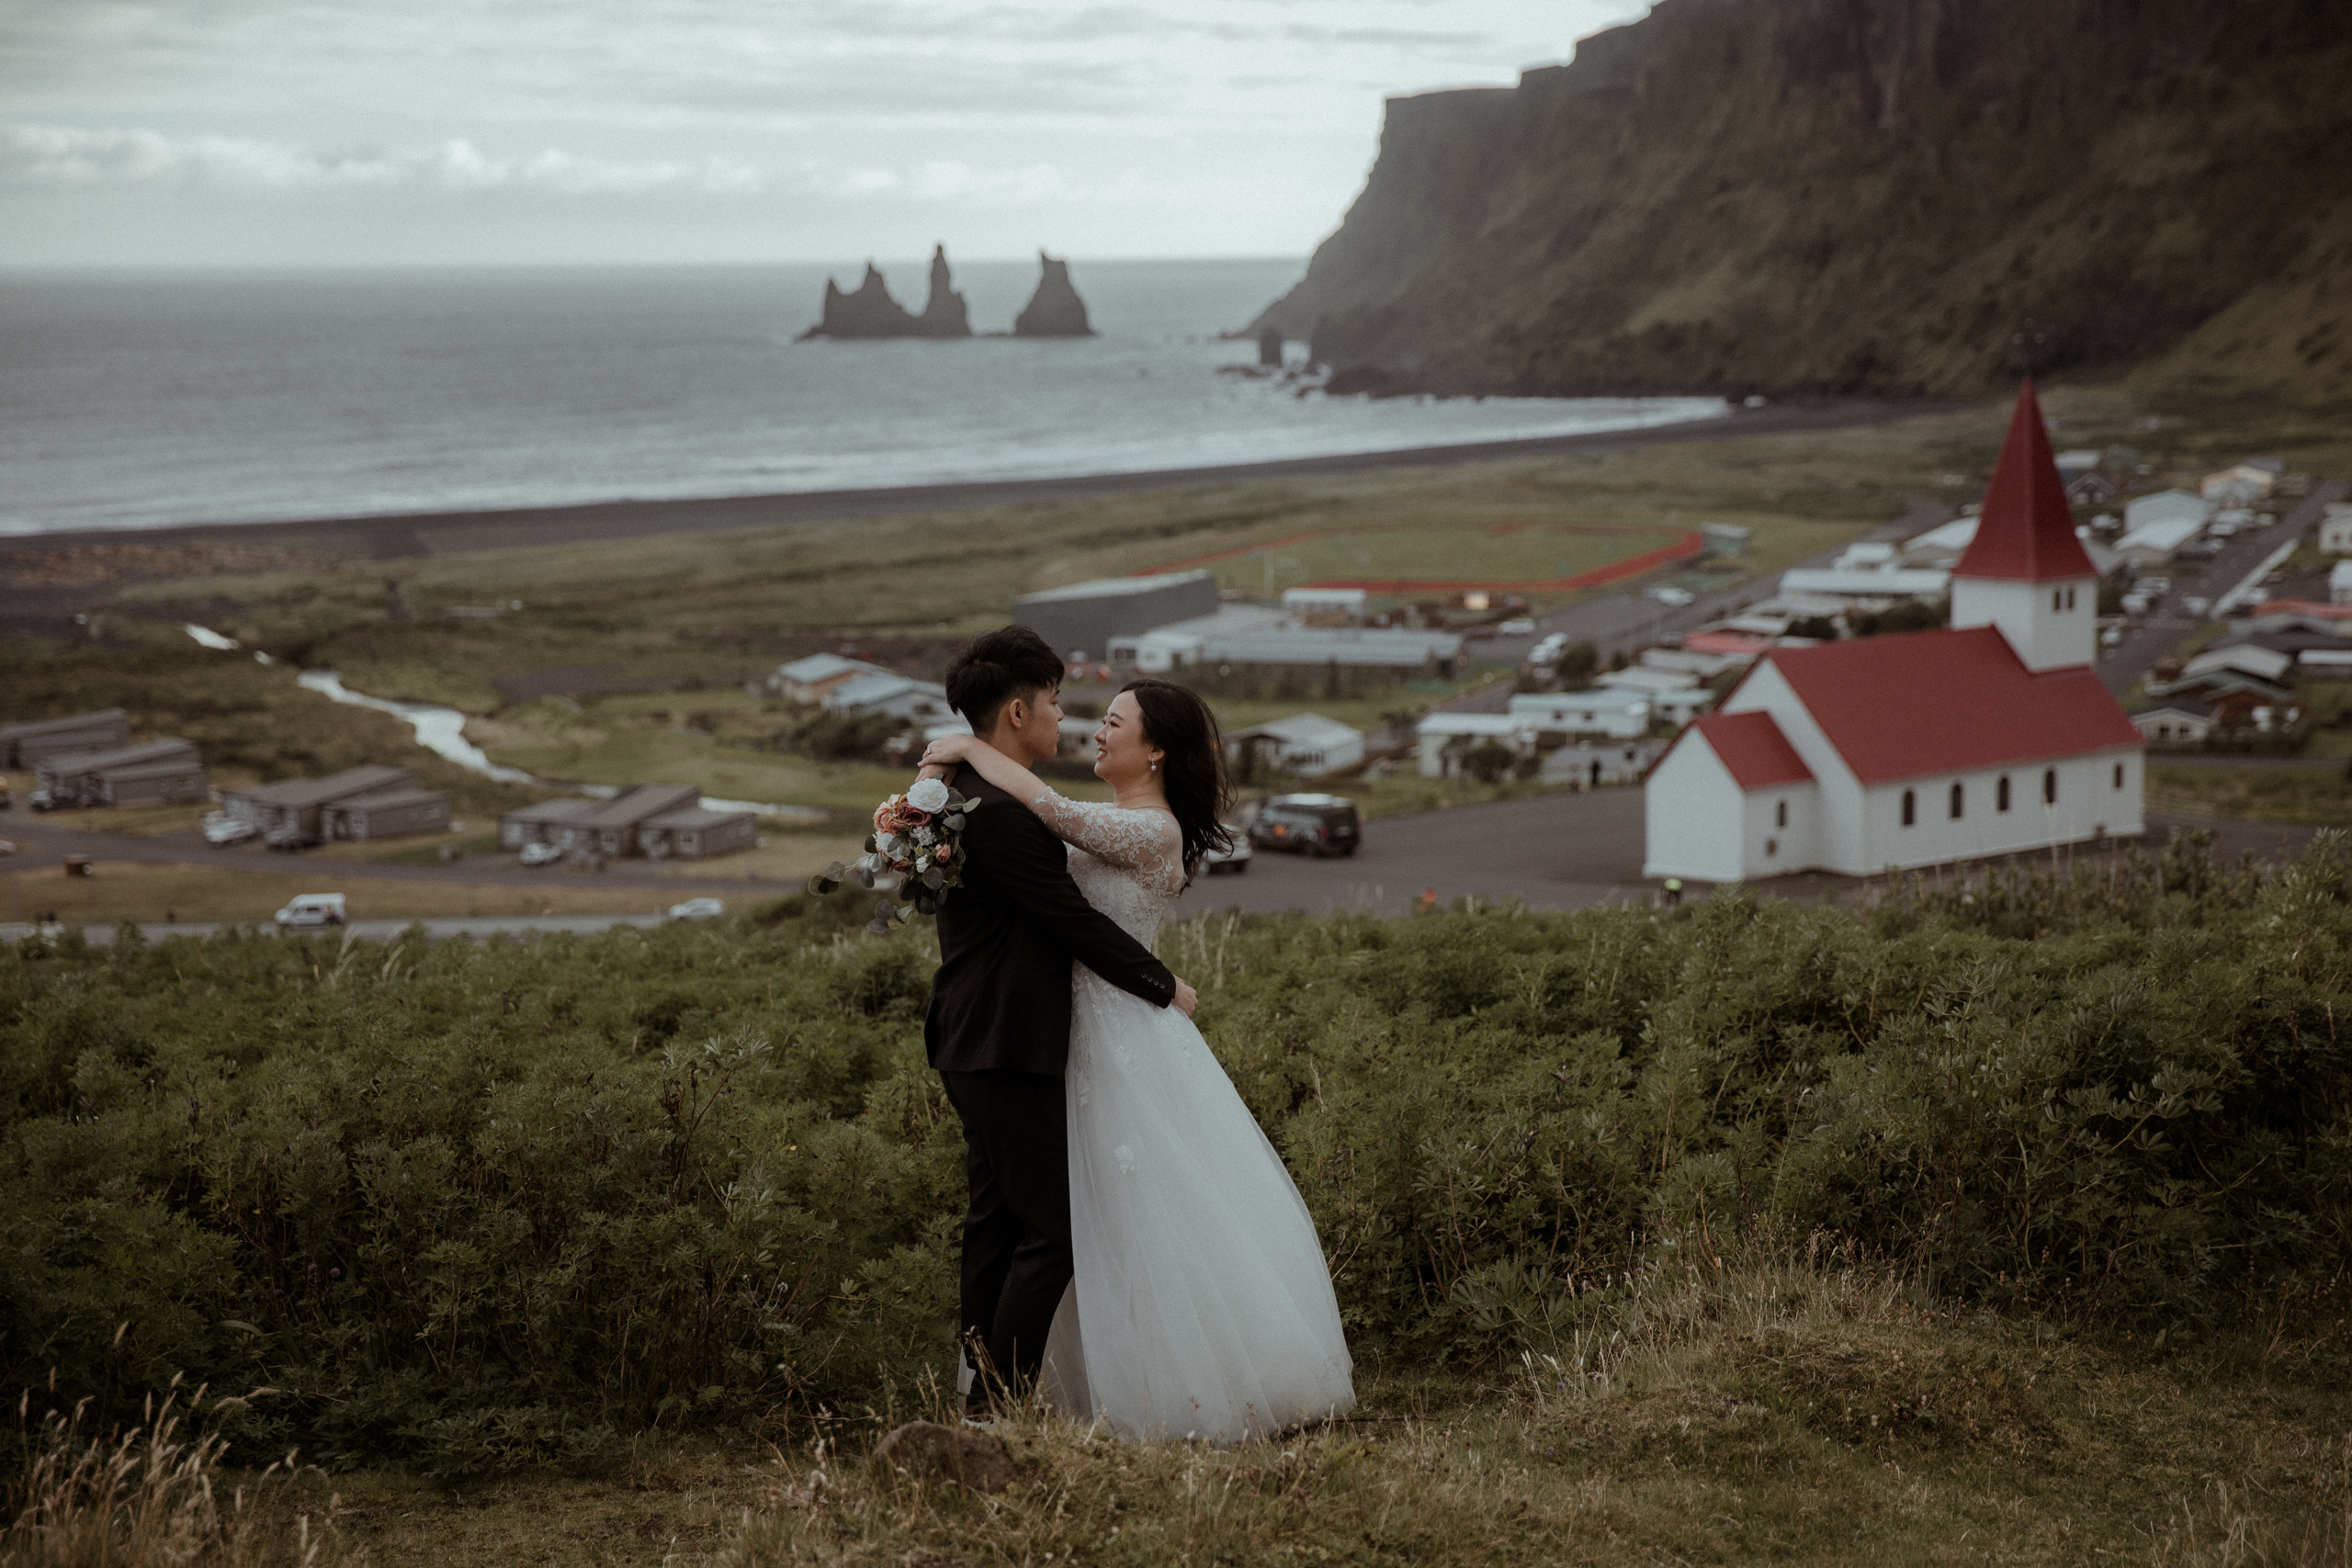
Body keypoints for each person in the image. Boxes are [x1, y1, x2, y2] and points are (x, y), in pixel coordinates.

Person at [922, 673, 1356, 1443]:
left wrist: (969, 749)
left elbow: (1050, 812)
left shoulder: (1150, 828)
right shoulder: (1117, 818)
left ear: (1154, 749)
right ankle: (1032, 1392)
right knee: (1068, 1217)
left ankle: (1115, 1390)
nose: (1095, 730)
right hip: (1065, 1031)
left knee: (1117, 1216)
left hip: (1117, 1030)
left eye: (1114, 722)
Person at [924, 626, 1199, 1420]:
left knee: (1000, 1221)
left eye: (1111, 718)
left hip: (996, 1034)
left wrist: (951, 761)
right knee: (1050, 1230)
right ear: (1017, 710)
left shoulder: (975, 800)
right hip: (1006, 1037)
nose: (1069, 719)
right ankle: (994, 1404)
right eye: (1054, 702)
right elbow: (1066, 918)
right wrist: (1161, 983)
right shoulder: (1007, 815)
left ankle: (983, 1392)